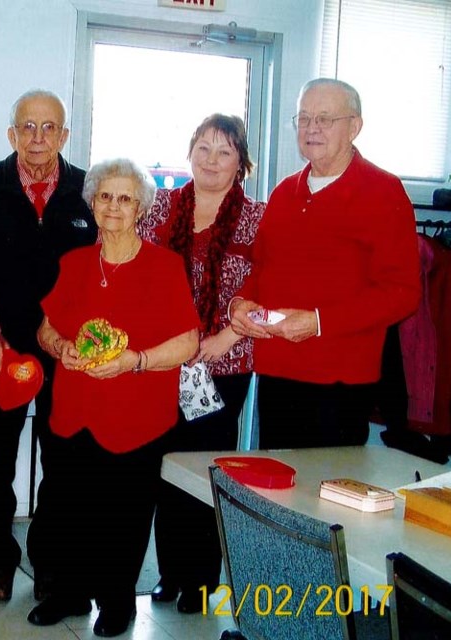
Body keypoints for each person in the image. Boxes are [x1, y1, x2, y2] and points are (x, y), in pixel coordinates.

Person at [29, 158, 199, 637]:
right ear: (92, 202)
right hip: (74, 411)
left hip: (137, 416)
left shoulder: (165, 267)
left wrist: (137, 360)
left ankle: (118, 601)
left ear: (142, 206)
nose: (114, 206)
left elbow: (187, 341)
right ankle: (68, 593)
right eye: (105, 196)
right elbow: (47, 329)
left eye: (125, 198)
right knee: (67, 507)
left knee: (123, 513)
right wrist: (60, 346)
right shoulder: (75, 263)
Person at [230, 78, 421, 448]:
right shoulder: (285, 191)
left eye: (324, 119)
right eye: (303, 118)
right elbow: (261, 270)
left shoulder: (384, 192)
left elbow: (402, 293)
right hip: (276, 371)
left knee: (323, 500)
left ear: (355, 126)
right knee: (274, 491)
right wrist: (240, 304)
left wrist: (318, 322)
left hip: (339, 383)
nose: (311, 128)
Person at [0, 89, 96, 602]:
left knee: (64, 460)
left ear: (64, 135)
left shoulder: (90, 189)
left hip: (67, 353)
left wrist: (76, 341)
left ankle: (52, 562)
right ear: (11, 133)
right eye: (27, 127)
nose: (38, 138)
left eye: (49, 128)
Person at [138, 114, 265, 613]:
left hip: (224, 363)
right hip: (164, 363)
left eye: (225, 152)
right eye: (204, 148)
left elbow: (267, 288)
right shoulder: (160, 209)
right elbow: (139, 275)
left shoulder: (258, 217)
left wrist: (224, 338)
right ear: (190, 151)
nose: (212, 160)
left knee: (202, 470)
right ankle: (169, 573)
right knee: (164, 467)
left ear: (242, 164)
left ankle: (202, 581)